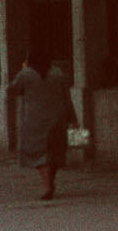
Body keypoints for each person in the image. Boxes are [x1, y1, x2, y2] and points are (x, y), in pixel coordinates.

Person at [10, 51, 72, 200]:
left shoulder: (26, 74)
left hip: (34, 122)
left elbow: (11, 90)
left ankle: (47, 186)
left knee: (39, 155)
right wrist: (73, 119)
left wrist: (23, 70)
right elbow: (67, 98)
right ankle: (50, 182)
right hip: (57, 121)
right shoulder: (58, 73)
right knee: (54, 154)